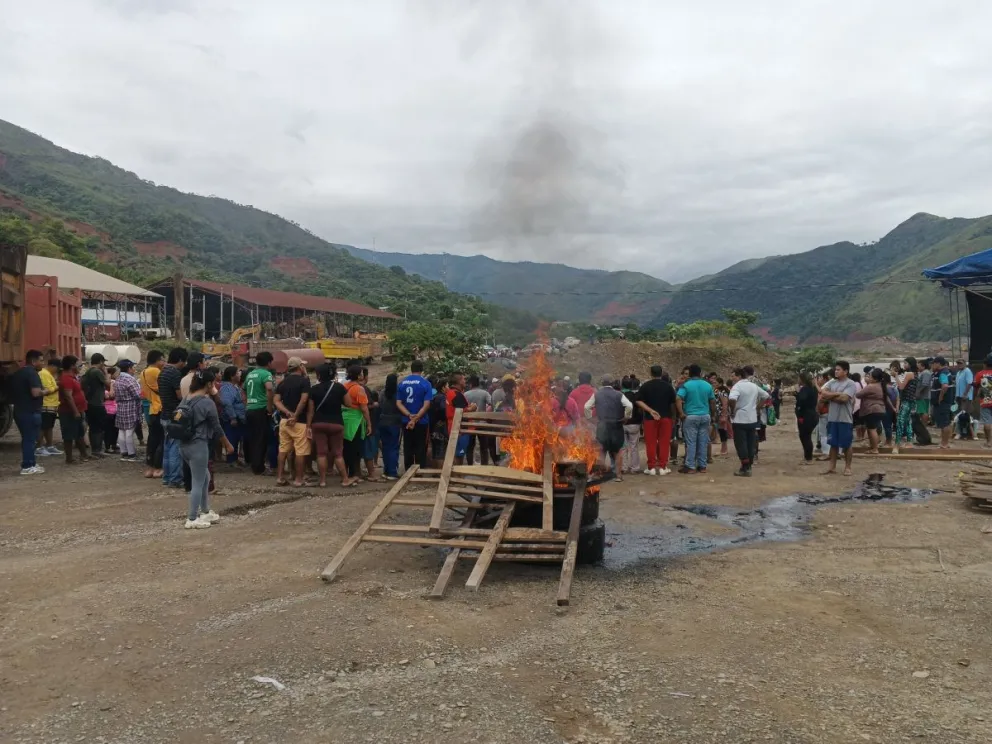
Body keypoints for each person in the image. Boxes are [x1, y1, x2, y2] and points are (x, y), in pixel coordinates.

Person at [178, 369, 234, 529]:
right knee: (198, 481)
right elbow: (217, 428)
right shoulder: (207, 403)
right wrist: (227, 444)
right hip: (198, 445)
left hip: (183, 445)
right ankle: (192, 518)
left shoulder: (186, 399)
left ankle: (205, 510)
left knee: (205, 476)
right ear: (209, 384)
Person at [307, 363, 359, 487]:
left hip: (318, 423)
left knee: (321, 453)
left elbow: (310, 410)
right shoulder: (340, 387)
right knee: (338, 453)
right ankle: (345, 480)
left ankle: (323, 481)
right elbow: (348, 403)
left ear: (319, 375)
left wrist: (308, 426)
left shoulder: (313, 389)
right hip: (336, 423)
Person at [585, 376, 633, 482]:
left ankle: (599, 474)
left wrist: (590, 419)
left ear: (602, 383)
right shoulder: (619, 394)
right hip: (616, 426)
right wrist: (626, 417)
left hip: (602, 425)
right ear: (613, 383)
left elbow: (586, 407)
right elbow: (629, 406)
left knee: (601, 451)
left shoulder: (597, 394)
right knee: (617, 452)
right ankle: (618, 476)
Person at [273, 356, 312, 487]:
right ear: (300, 367)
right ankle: (299, 479)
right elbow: (304, 399)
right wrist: (295, 415)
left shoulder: (282, 383)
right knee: (300, 451)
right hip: (299, 422)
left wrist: (287, 412)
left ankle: (280, 477)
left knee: (283, 449)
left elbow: (276, 401)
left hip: (284, 421)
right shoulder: (304, 381)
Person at [728, 367, 769, 477]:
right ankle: (748, 466)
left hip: (740, 419)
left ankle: (745, 468)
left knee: (741, 444)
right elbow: (766, 395)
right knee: (750, 443)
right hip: (752, 419)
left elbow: (732, 399)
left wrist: (732, 410)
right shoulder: (753, 386)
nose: (732, 378)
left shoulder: (737, 387)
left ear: (739, 376)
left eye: (734, 376)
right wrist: (757, 407)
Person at [675, 364, 716, 474]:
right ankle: (702, 466)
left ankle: (690, 466)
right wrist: (713, 415)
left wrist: (681, 413)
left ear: (690, 373)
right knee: (703, 441)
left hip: (691, 416)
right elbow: (712, 401)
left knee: (691, 442)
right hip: (705, 416)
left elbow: (678, 398)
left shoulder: (686, 385)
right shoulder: (707, 385)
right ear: (700, 373)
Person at [10, 349, 46, 474]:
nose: (43, 363)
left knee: (28, 439)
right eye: (41, 361)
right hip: (30, 411)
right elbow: (35, 393)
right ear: (33, 361)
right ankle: (27, 466)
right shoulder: (32, 374)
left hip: (20, 410)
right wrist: (46, 391)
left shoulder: (18, 373)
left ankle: (31, 463)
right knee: (30, 439)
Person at [636, 365, 676, 475]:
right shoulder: (668, 387)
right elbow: (673, 403)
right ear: (661, 372)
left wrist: (650, 410)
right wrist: (674, 417)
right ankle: (663, 467)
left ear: (650, 373)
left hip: (650, 419)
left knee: (650, 443)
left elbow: (638, 401)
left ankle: (651, 467)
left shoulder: (645, 386)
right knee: (664, 442)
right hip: (666, 418)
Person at [820, 361, 859, 476]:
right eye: (835, 369)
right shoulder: (832, 382)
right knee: (833, 444)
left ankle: (848, 467)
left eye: (838, 369)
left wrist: (831, 396)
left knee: (846, 444)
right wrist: (837, 394)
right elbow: (823, 394)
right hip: (832, 418)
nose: (836, 371)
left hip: (845, 419)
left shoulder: (850, 383)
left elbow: (845, 399)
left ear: (846, 371)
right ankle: (832, 467)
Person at [158, 347, 188, 487]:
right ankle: (175, 479)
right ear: (180, 360)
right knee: (176, 447)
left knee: (168, 447)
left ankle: (167, 477)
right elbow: (179, 396)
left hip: (165, 413)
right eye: (184, 361)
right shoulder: (174, 373)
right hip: (174, 415)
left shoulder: (163, 371)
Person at [244, 351, 276, 475]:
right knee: (261, 439)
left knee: (253, 438)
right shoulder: (266, 374)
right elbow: (269, 388)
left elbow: (244, 391)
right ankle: (259, 467)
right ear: (269, 362)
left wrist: (248, 404)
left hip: (250, 409)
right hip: (261, 409)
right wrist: (269, 407)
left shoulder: (250, 374)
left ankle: (255, 464)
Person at [397, 360, 432, 471]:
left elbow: (398, 403)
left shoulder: (402, 383)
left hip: (406, 420)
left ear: (411, 369)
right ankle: (419, 470)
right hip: (421, 421)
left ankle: (408, 469)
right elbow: (427, 404)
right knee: (421, 446)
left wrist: (409, 415)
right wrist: (416, 417)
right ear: (421, 370)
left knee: (408, 446)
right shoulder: (426, 383)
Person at [57, 355, 90, 463]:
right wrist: (75, 411)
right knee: (69, 435)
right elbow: (68, 396)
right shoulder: (66, 378)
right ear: (72, 366)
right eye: (78, 365)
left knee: (79, 433)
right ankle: (69, 458)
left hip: (77, 410)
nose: (79, 367)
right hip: (68, 412)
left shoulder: (72, 377)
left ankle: (84, 455)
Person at [343, 364, 373, 478]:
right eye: (361, 373)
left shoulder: (344, 386)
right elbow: (364, 409)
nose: (362, 375)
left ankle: (346, 473)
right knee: (355, 449)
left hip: (345, 419)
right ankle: (354, 474)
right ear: (358, 375)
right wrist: (369, 424)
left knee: (346, 447)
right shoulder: (359, 389)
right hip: (356, 421)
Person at [856, 369, 894, 455]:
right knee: (872, 429)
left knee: (872, 429)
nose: (868, 378)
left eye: (870, 376)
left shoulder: (871, 386)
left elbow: (858, 395)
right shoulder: (882, 386)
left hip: (871, 409)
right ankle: (873, 447)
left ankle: (875, 449)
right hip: (880, 409)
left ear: (875, 379)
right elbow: (887, 398)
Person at [141, 350, 165, 478]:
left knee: (152, 440)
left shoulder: (143, 372)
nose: (164, 363)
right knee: (161, 440)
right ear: (157, 360)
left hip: (152, 408)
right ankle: (158, 468)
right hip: (160, 407)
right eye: (162, 360)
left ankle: (150, 468)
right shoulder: (155, 371)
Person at [81, 352, 110, 458]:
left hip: (89, 403)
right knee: (99, 427)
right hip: (97, 403)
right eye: (103, 363)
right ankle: (97, 450)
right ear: (101, 361)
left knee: (93, 427)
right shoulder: (97, 372)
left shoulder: (88, 372)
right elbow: (108, 384)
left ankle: (95, 449)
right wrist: (106, 373)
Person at [113, 359, 142, 462]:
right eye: (133, 367)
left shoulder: (118, 379)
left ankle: (124, 452)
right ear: (129, 368)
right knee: (129, 431)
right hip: (130, 406)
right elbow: (138, 395)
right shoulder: (129, 380)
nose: (134, 370)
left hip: (121, 406)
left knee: (122, 430)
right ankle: (131, 454)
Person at [217, 366, 246, 464]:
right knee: (232, 438)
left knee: (236, 438)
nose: (239, 375)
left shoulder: (234, 386)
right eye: (237, 373)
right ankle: (231, 461)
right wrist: (233, 417)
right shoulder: (226, 387)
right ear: (231, 376)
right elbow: (227, 403)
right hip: (231, 418)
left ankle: (235, 459)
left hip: (238, 417)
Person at [464, 374, 495, 465]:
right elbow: (491, 403)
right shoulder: (484, 393)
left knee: (470, 446)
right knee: (484, 447)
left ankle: (470, 465)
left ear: (470, 384)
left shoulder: (466, 394)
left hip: (470, 424)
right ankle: (484, 466)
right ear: (478, 384)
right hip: (482, 424)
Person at [446, 372, 475, 465]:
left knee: (457, 454)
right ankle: (457, 476)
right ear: (459, 381)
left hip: (455, 427)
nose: (465, 381)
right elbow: (462, 412)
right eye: (463, 379)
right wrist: (472, 408)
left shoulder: (450, 393)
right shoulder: (456, 395)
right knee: (459, 455)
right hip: (460, 430)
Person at [378, 373, 402, 479]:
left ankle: (386, 470)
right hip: (394, 422)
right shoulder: (398, 393)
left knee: (386, 447)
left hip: (382, 421)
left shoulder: (382, 392)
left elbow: (380, 405)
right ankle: (392, 472)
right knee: (393, 447)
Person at [36, 356, 61, 457]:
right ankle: (38, 447)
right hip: (46, 404)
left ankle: (49, 445)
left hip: (51, 405)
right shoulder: (44, 374)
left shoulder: (49, 374)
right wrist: (58, 387)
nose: (57, 371)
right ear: (52, 366)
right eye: (57, 368)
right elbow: (47, 389)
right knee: (43, 427)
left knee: (49, 427)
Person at [891, 358, 917, 454]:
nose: (904, 365)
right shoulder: (915, 373)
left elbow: (901, 387)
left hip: (906, 401)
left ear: (910, 364)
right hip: (912, 401)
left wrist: (896, 376)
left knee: (900, 422)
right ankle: (909, 442)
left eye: (905, 363)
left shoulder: (909, 374)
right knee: (907, 421)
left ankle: (896, 445)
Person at [360, 368, 381, 481]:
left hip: (354, 424)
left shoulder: (349, 387)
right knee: (368, 448)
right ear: (364, 376)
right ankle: (371, 474)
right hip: (364, 424)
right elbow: (364, 407)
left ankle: (357, 473)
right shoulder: (363, 389)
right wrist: (375, 405)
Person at [795, 371, 819, 464]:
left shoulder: (804, 389)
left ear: (802, 379)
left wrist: (799, 414)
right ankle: (808, 457)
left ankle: (808, 458)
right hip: (812, 414)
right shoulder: (813, 388)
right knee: (807, 436)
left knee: (805, 437)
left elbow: (802, 402)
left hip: (805, 415)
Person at [931, 356, 953, 449]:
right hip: (943, 402)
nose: (932, 365)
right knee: (943, 422)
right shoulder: (941, 373)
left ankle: (945, 443)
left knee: (945, 423)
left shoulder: (943, 373)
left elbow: (945, 386)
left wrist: (940, 397)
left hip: (943, 402)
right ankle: (944, 442)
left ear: (938, 364)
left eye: (933, 363)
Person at [621, 376, 643, 474]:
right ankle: (635, 468)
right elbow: (640, 410)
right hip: (634, 424)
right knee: (634, 446)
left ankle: (624, 468)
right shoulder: (636, 396)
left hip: (622, 423)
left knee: (623, 447)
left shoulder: (620, 396)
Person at [428, 377, 450, 467]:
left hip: (433, 427)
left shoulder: (435, 397)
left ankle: (435, 472)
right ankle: (440, 474)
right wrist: (444, 419)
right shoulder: (442, 398)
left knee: (435, 450)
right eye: (448, 386)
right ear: (443, 387)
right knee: (441, 451)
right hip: (440, 427)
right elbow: (443, 409)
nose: (449, 388)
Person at [973, 354, 992, 448]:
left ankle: (989, 442)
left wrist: (975, 396)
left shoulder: (980, 374)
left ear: (985, 364)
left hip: (985, 401)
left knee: (987, 422)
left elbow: (976, 386)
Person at [954, 359, 975, 440]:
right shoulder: (958, 373)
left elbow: (970, 383)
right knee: (960, 415)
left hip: (965, 397)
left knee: (964, 415)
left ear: (964, 363)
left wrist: (965, 394)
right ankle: (962, 432)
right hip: (959, 396)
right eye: (958, 363)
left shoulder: (967, 371)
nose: (959, 364)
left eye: (960, 363)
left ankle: (963, 433)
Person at [916, 359, 933, 424]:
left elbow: (925, 384)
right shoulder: (923, 373)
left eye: (919, 365)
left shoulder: (926, 373)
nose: (917, 367)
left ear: (923, 366)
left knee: (923, 411)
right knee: (921, 411)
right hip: (922, 396)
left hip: (923, 396)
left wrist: (918, 392)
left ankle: (923, 425)